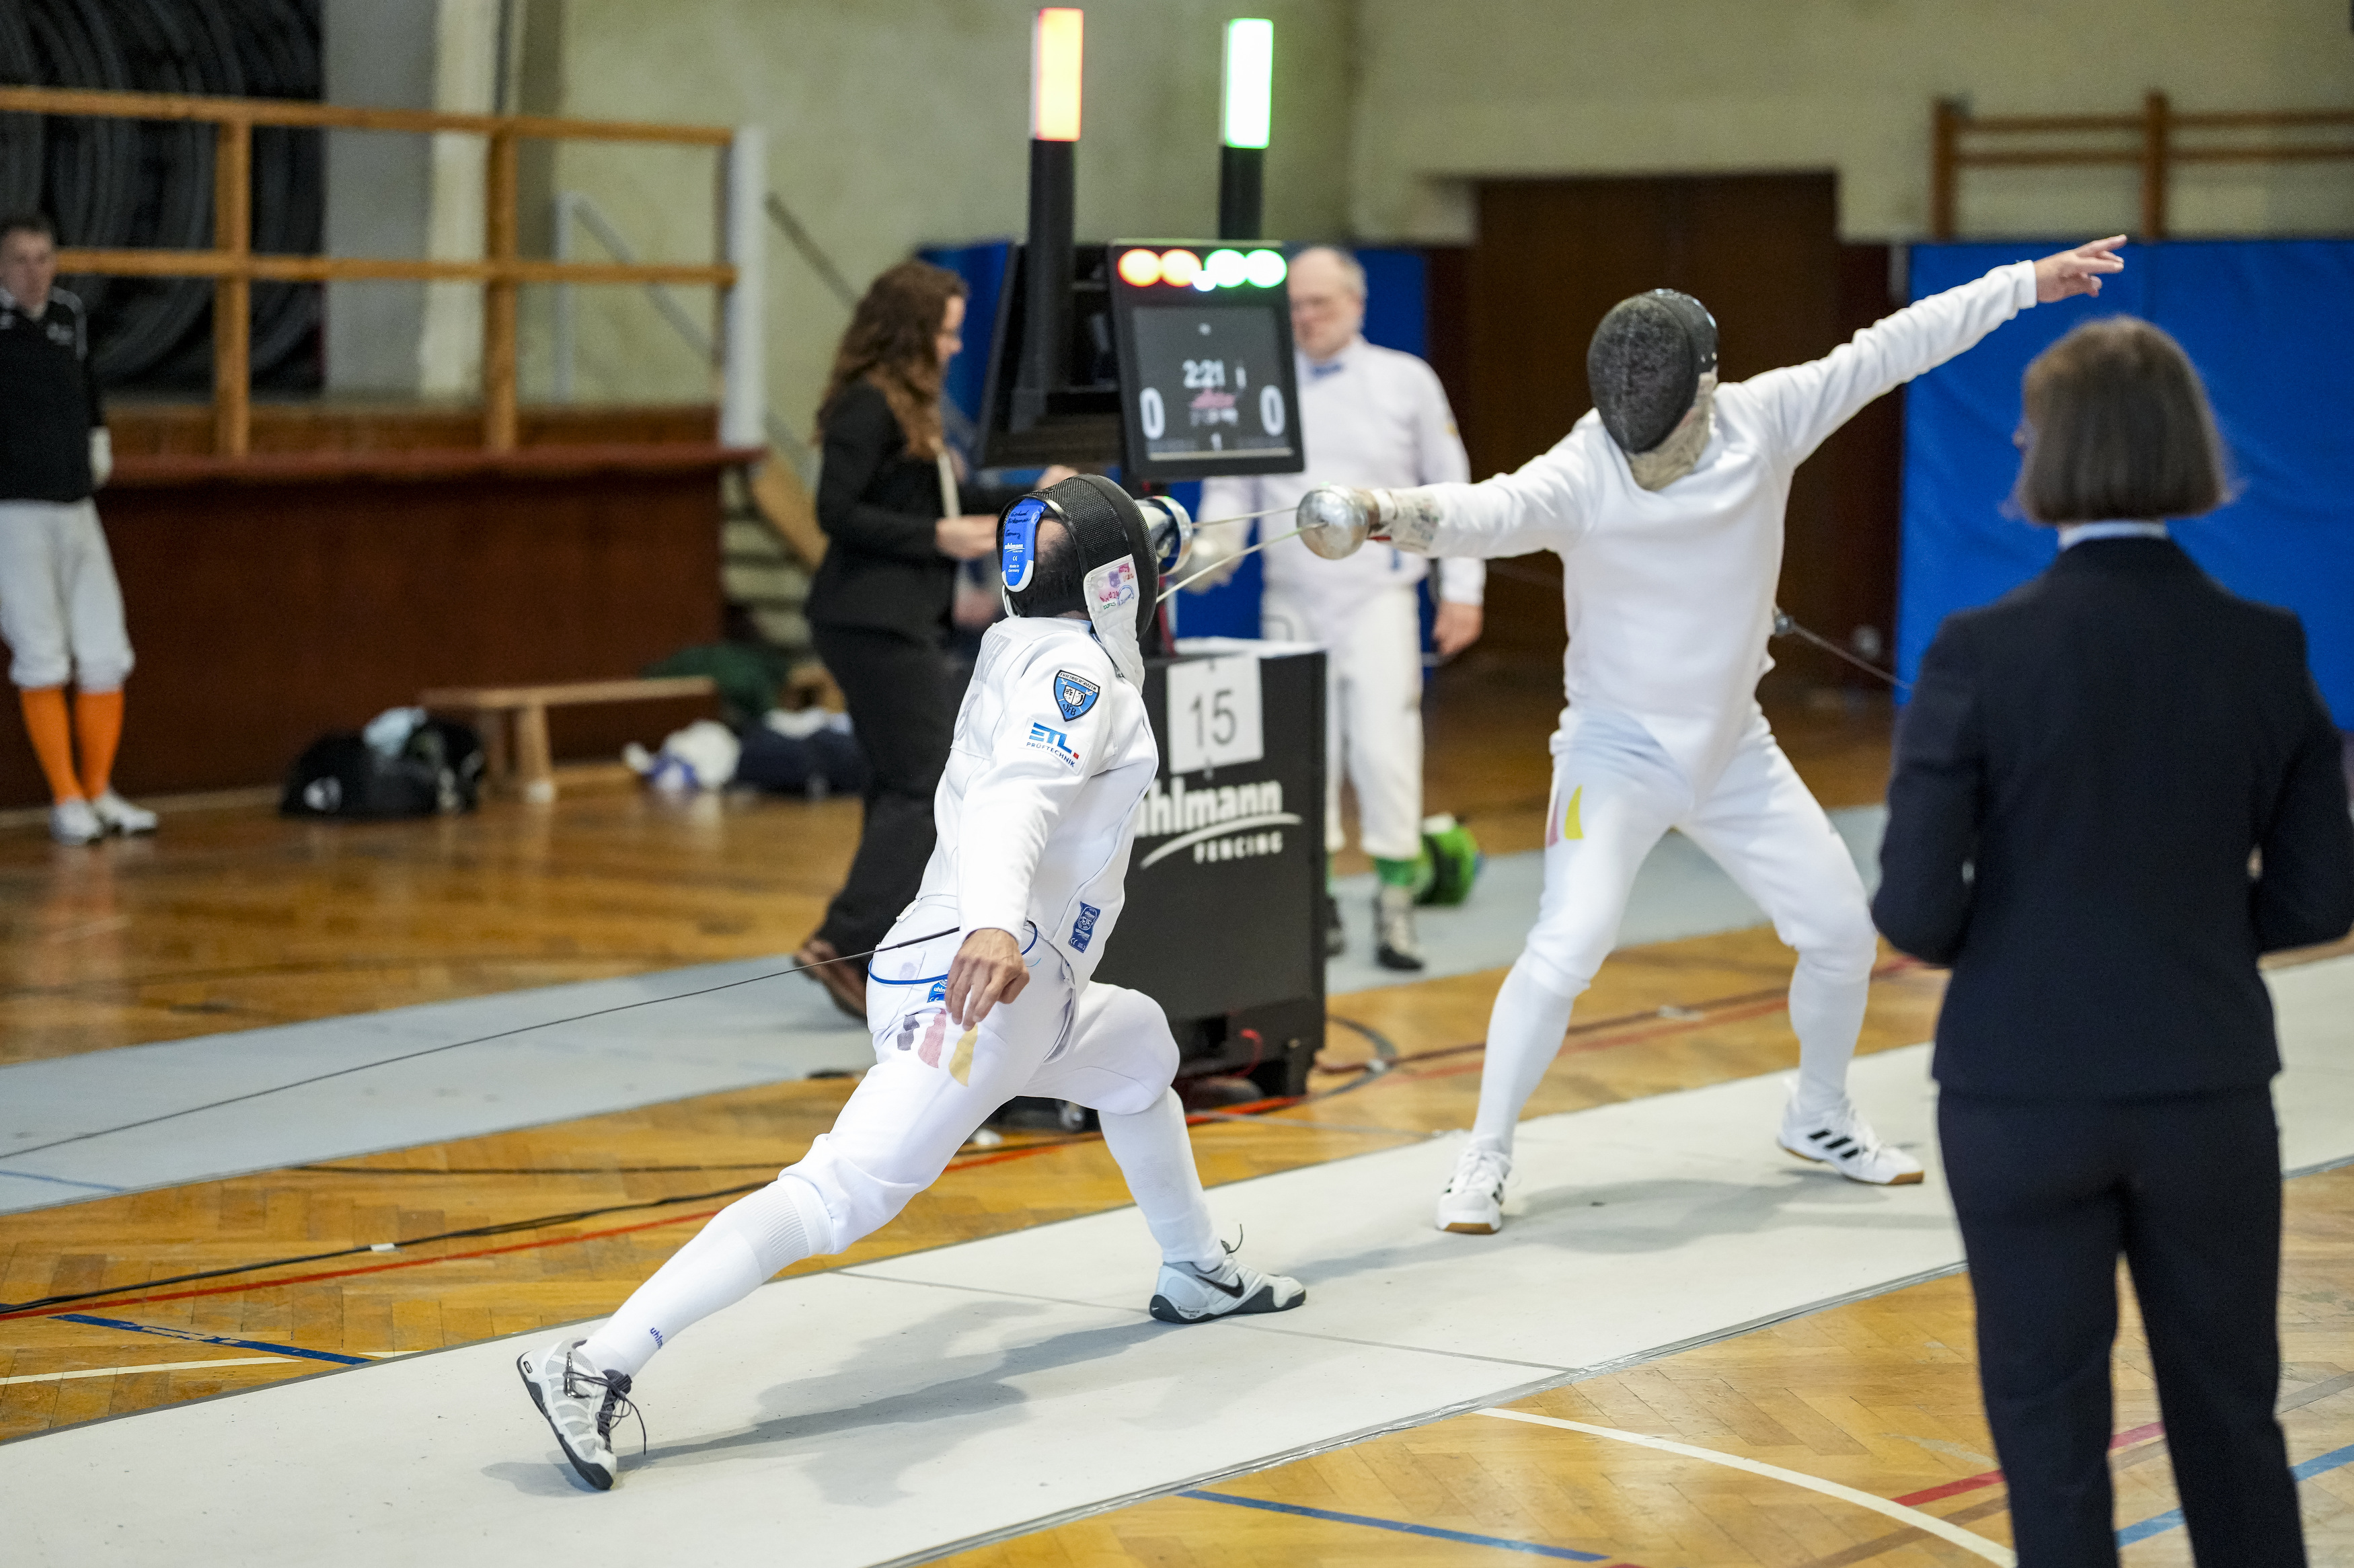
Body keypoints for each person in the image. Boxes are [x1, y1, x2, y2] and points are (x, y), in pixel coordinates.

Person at [1303, 236, 2133, 1233]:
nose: (1639, 443)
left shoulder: (1766, 416)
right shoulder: (1584, 464)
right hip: (1613, 755)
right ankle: (1484, 1154)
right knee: (1567, 943)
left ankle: (1818, 1114)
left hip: (1736, 751)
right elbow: (1485, 509)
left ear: (1703, 389)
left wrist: (2021, 285)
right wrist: (1380, 509)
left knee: (1840, 934)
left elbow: (1893, 346)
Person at [521, 474, 1305, 1490]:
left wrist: (1156, 528)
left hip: (1025, 991)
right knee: (839, 1192)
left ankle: (1194, 1266)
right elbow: (1018, 798)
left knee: (1141, 1051)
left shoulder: (1025, 635)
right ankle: (593, 1363)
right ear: (1113, 585)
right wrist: (993, 924)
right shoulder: (1075, 675)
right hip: (979, 987)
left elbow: (1108, 558)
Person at [1874, 318, 2353, 1567]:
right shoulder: (2266, 644)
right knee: (2232, 1418)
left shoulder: (1978, 649)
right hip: (2206, 1087)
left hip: (2019, 1093)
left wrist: (2020, 938)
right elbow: (2318, 901)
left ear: (2046, 449)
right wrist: (2193, 934)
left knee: (2050, 1440)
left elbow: (1915, 911)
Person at [794, 259, 1068, 1017]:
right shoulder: (867, 405)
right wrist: (935, 537)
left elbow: (943, 498)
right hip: (868, 616)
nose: (954, 347)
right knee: (926, 781)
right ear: (910, 333)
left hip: (897, 615)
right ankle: (842, 938)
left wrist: (1032, 493)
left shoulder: (911, 407)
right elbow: (836, 512)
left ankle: (870, 946)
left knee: (897, 783)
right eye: (945, 333)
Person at [1197, 246, 1482, 971]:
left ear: (1355, 304)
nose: (1305, 317)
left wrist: (1461, 589)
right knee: (1302, 754)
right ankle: (1313, 898)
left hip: (1379, 596)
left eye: (1319, 303)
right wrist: (1208, 551)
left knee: (1385, 749)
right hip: (1292, 597)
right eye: (1294, 305)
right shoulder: (1260, 385)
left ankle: (1395, 898)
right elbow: (1232, 489)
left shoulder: (1405, 379)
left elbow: (1452, 490)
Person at [0, 212, 154, 845]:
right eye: (20, 260)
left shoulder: (68, 315)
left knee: (104, 649)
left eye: (44, 258)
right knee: (41, 654)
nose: (33, 272)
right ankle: (65, 797)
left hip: (77, 508)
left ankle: (98, 790)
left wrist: (97, 437)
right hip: (15, 514)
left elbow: (86, 385)